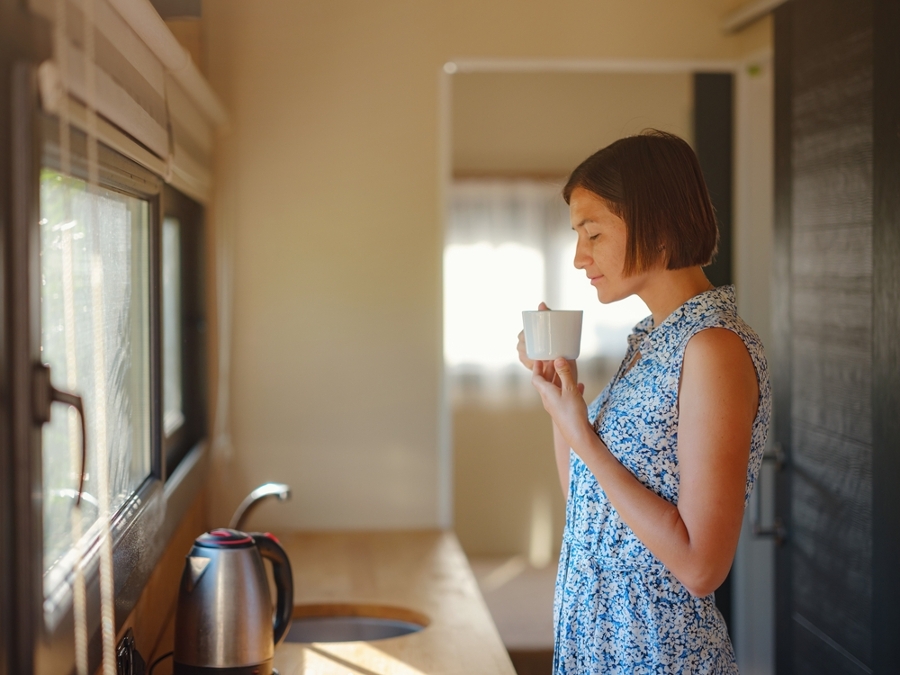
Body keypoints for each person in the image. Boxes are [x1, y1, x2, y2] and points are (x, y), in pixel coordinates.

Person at [516, 130, 771, 674]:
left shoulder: (712, 349)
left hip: (657, 655)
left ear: (657, 224)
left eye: (593, 233)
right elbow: (587, 504)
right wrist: (560, 400)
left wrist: (582, 434)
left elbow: (701, 568)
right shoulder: (649, 341)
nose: (579, 257)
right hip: (597, 645)